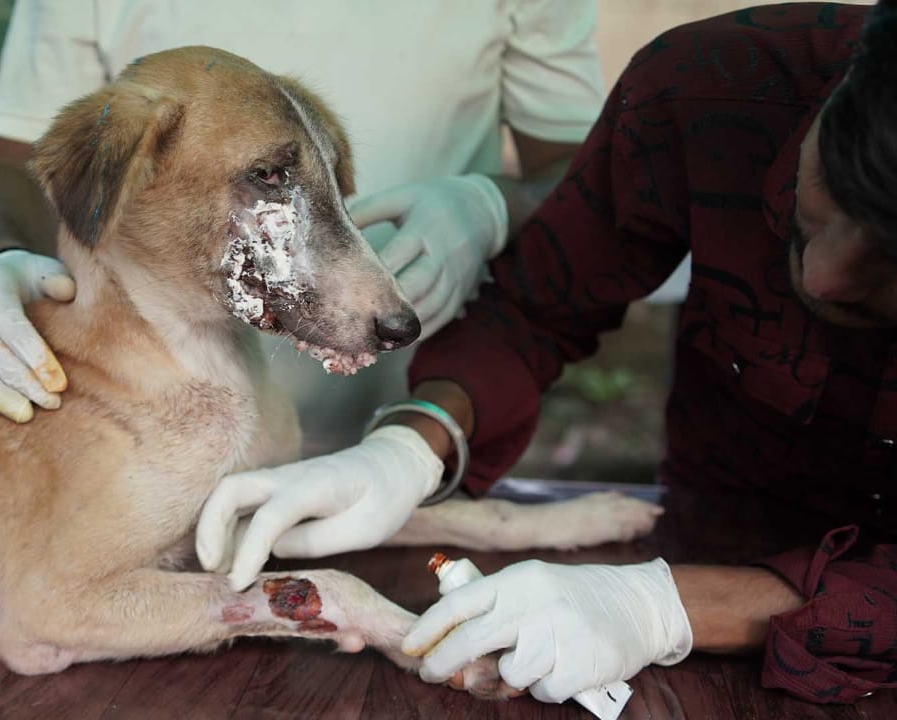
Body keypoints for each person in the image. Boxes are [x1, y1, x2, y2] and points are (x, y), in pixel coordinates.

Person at [199, 0, 897, 707]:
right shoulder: (720, 84)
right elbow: (536, 308)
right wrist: (411, 445)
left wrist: (660, 608)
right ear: (838, 91)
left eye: (889, 263)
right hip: (716, 522)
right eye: (825, 201)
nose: (823, 277)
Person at [0, 1, 605, 470]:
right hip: (145, 436)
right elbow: (15, 158)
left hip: (421, 422)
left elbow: (598, 176)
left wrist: (489, 206)